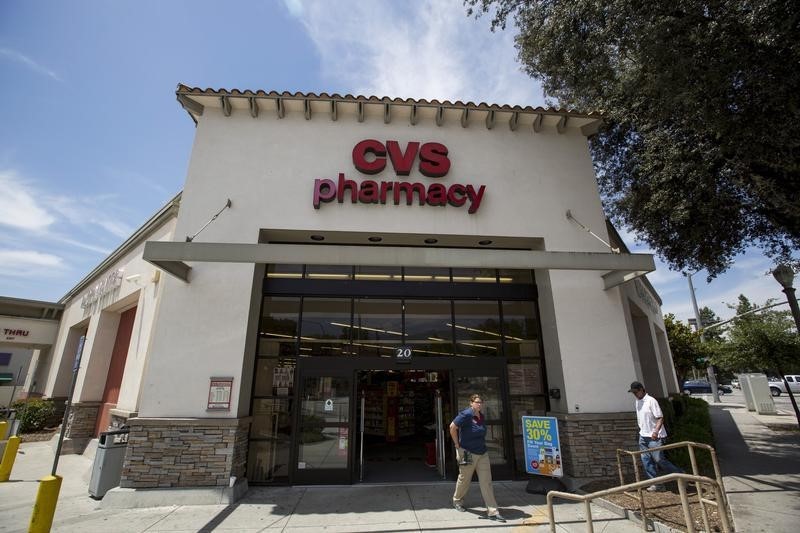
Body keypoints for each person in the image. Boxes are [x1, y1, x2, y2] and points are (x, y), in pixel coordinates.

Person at [449, 394, 505, 522]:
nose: (479, 404)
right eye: (477, 402)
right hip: (467, 452)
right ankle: (457, 501)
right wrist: (457, 445)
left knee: (487, 482)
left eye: (481, 402)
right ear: (471, 403)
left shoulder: (481, 416)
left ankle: (493, 511)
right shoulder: (466, 414)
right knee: (464, 479)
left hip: (482, 453)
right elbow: (452, 427)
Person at [629, 381, 683, 491]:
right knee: (646, 461)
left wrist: (655, 431)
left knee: (659, 460)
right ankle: (656, 484)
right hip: (643, 436)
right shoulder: (637, 401)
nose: (635, 394)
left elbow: (660, 417)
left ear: (641, 390)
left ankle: (681, 474)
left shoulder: (651, 401)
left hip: (654, 436)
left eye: (636, 392)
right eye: (633, 393)